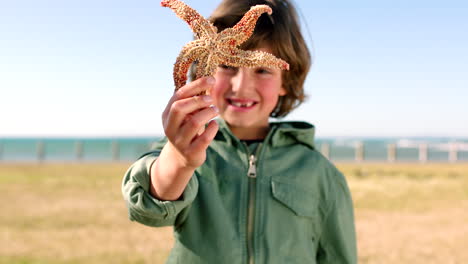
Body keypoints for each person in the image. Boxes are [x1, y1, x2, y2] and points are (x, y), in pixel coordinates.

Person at [122, 0, 357, 263]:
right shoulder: (189, 146)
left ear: (285, 81)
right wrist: (179, 158)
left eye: (262, 69)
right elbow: (146, 209)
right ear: (200, 69)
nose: (241, 86)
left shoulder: (319, 173)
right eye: (227, 65)